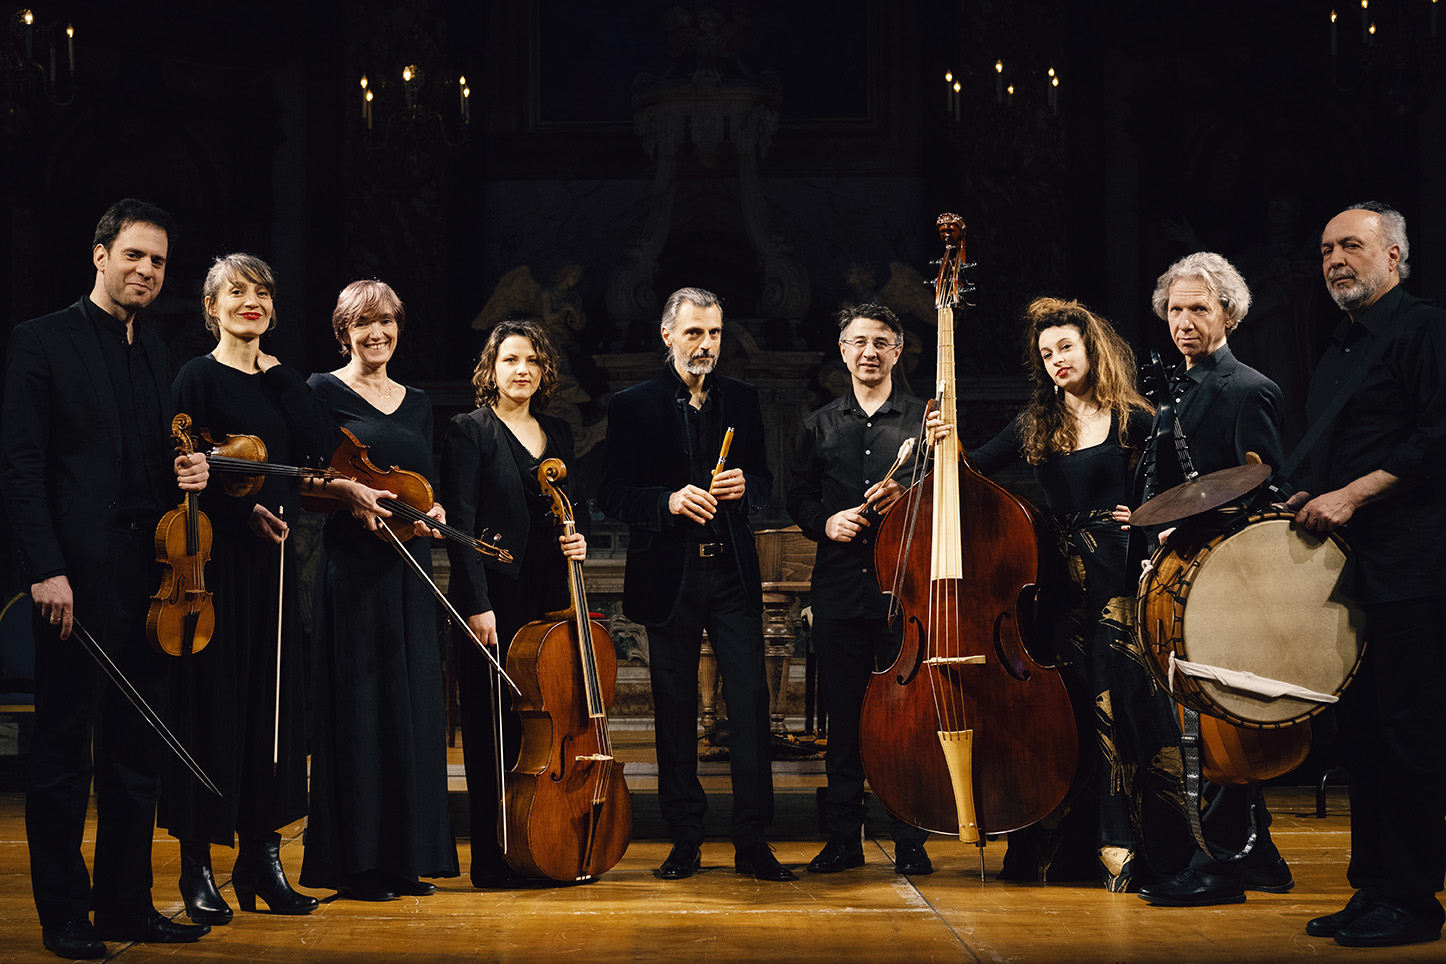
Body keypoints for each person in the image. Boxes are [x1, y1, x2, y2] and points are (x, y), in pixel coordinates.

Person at [0, 199, 212, 959]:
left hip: (151, 580)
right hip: (75, 582)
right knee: (63, 752)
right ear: (100, 255)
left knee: (136, 748)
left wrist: (188, 470)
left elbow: (159, 458)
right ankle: (63, 916)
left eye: (157, 262)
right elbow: (21, 468)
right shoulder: (41, 342)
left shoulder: (158, 353)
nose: (147, 271)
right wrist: (45, 571)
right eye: (134, 256)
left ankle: (125, 906)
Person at [946, 297, 1176, 891]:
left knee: (1121, 706)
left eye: (1065, 347)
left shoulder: (1137, 418)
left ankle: (1128, 842)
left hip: (1118, 582)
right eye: (1045, 354)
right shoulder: (1036, 423)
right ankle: (1064, 852)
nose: (1055, 361)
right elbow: (972, 468)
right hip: (1056, 583)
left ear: (1091, 347)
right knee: (1065, 710)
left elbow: (1180, 491)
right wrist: (942, 442)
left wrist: (1147, 517)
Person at [157, 254, 343, 923]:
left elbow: (316, 454)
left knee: (274, 718)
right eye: (235, 292)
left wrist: (282, 378)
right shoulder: (195, 378)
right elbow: (181, 469)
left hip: (278, 568)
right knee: (213, 711)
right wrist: (241, 512)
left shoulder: (286, 379)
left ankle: (261, 860)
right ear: (211, 306)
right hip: (215, 566)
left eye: (262, 291)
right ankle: (198, 863)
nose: (251, 301)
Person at [1288, 202, 1446, 949]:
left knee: (1409, 733)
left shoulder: (1424, 329)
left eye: (1351, 245)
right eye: (1325, 250)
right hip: (1353, 574)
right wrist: (1311, 488)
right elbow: (1340, 452)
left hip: (1414, 567)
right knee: (1363, 738)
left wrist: (1351, 494)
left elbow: (1437, 440)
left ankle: (1414, 901)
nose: (1335, 260)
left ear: (1394, 257)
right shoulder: (1342, 348)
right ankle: (1373, 888)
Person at [597, 286, 788, 881]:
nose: (706, 345)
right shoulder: (633, 404)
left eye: (715, 334)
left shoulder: (743, 399)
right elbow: (611, 494)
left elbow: (763, 482)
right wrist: (668, 500)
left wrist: (744, 490)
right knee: (674, 708)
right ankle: (686, 838)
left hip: (730, 570)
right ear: (667, 336)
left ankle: (753, 840)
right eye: (694, 333)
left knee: (751, 704)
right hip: (669, 575)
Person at [1133, 252, 1295, 908]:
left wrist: (1203, 527)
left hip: (1229, 578)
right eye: (1175, 309)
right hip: (1184, 575)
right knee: (1200, 721)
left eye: (1199, 308)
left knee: (1214, 724)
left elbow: (1270, 487)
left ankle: (1221, 867)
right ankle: (1263, 860)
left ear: (1229, 312)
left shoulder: (1248, 388)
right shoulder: (1178, 388)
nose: (1184, 321)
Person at [300, 279, 459, 901]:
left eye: (386, 322)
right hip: (355, 570)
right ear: (344, 331)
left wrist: (437, 508)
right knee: (361, 707)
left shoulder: (418, 401)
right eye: (363, 324)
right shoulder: (320, 391)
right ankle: (358, 864)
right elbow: (311, 479)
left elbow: (426, 478)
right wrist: (347, 498)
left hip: (409, 572)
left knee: (411, 706)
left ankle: (404, 859)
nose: (377, 334)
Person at [439, 318, 589, 887]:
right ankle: (493, 857)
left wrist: (579, 532)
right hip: (492, 597)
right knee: (491, 725)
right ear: (491, 370)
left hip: (551, 597)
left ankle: (543, 843)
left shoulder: (559, 433)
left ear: (544, 370)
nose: (521, 369)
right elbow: (462, 525)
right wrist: (477, 605)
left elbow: (574, 509)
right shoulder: (469, 430)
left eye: (531, 360)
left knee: (547, 722)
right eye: (509, 360)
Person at [785, 304, 932, 876]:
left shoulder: (925, 420)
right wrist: (826, 523)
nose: (869, 352)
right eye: (858, 342)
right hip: (841, 588)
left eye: (881, 343)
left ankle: (910, 839)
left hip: (906, 589)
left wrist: (912, 497)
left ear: (897, 352)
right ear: (842, 351)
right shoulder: (817, 424)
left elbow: (950, 495)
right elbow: (797, 496)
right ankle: (844, 838)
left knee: (906, 717)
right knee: (844, 722)